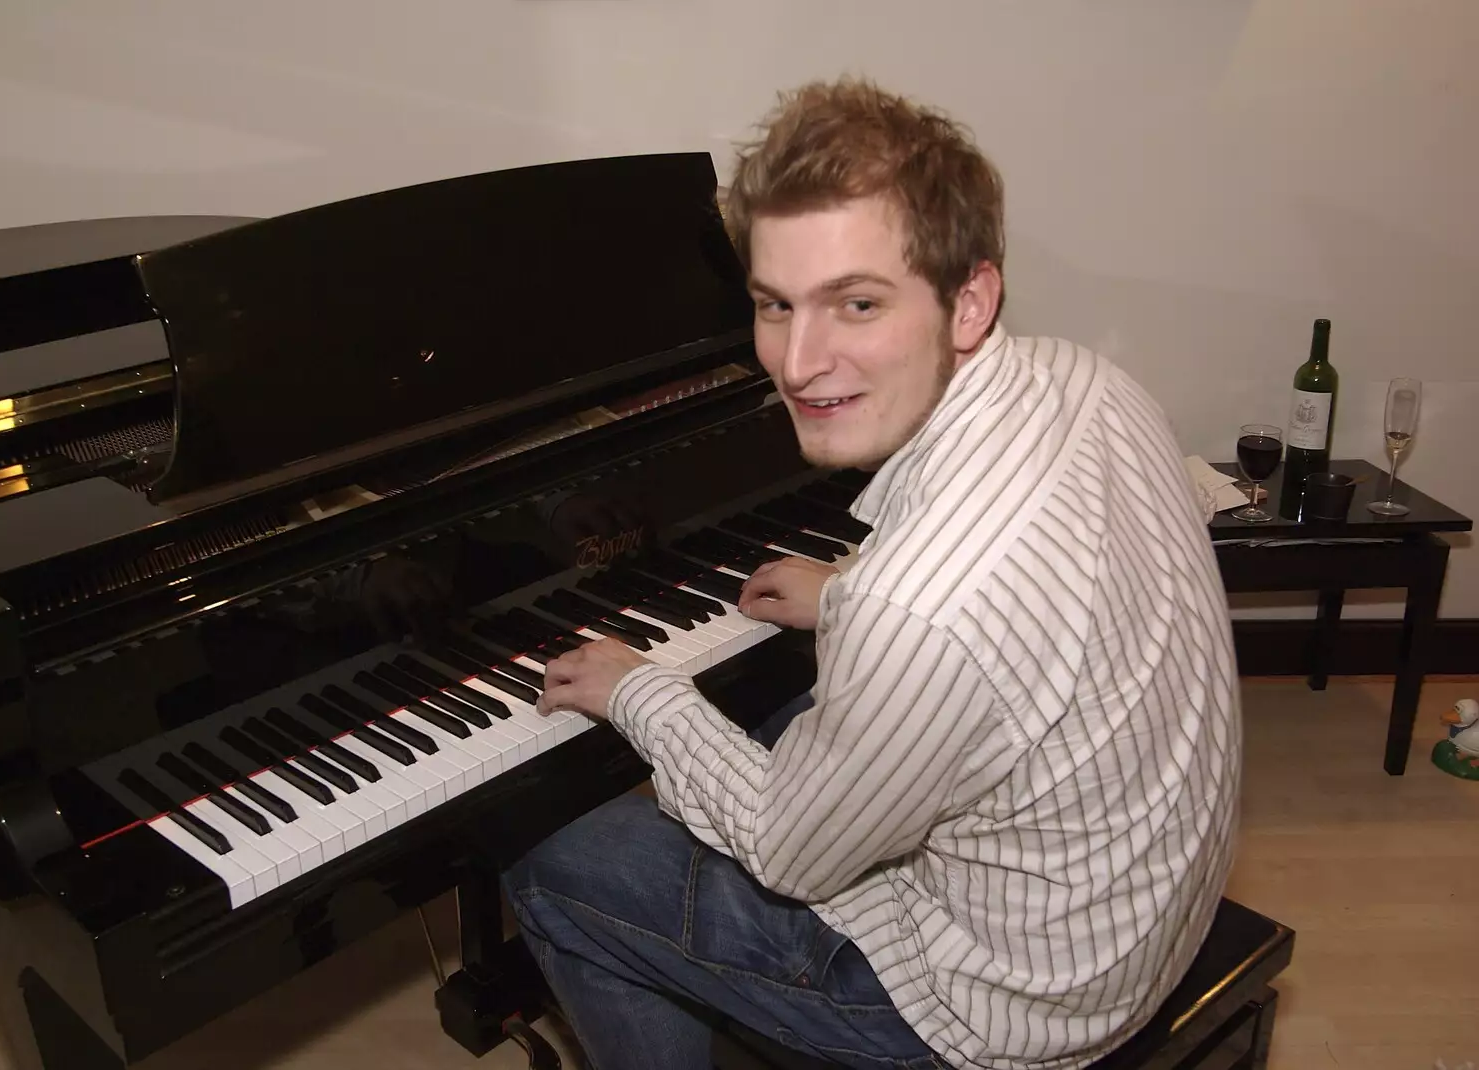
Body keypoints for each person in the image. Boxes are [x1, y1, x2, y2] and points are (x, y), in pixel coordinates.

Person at [500, 77, 1240, 1070]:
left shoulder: (919, 605)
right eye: (773, 304)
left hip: (1005, 1011)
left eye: (856, 302)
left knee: (548, 853)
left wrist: (644, 691)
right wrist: (845, 594)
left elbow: (791, 850)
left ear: (968, 298)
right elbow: (1010, 618)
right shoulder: (1089, 381)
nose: (800, 363)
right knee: (769, 717)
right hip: (1135, 908)